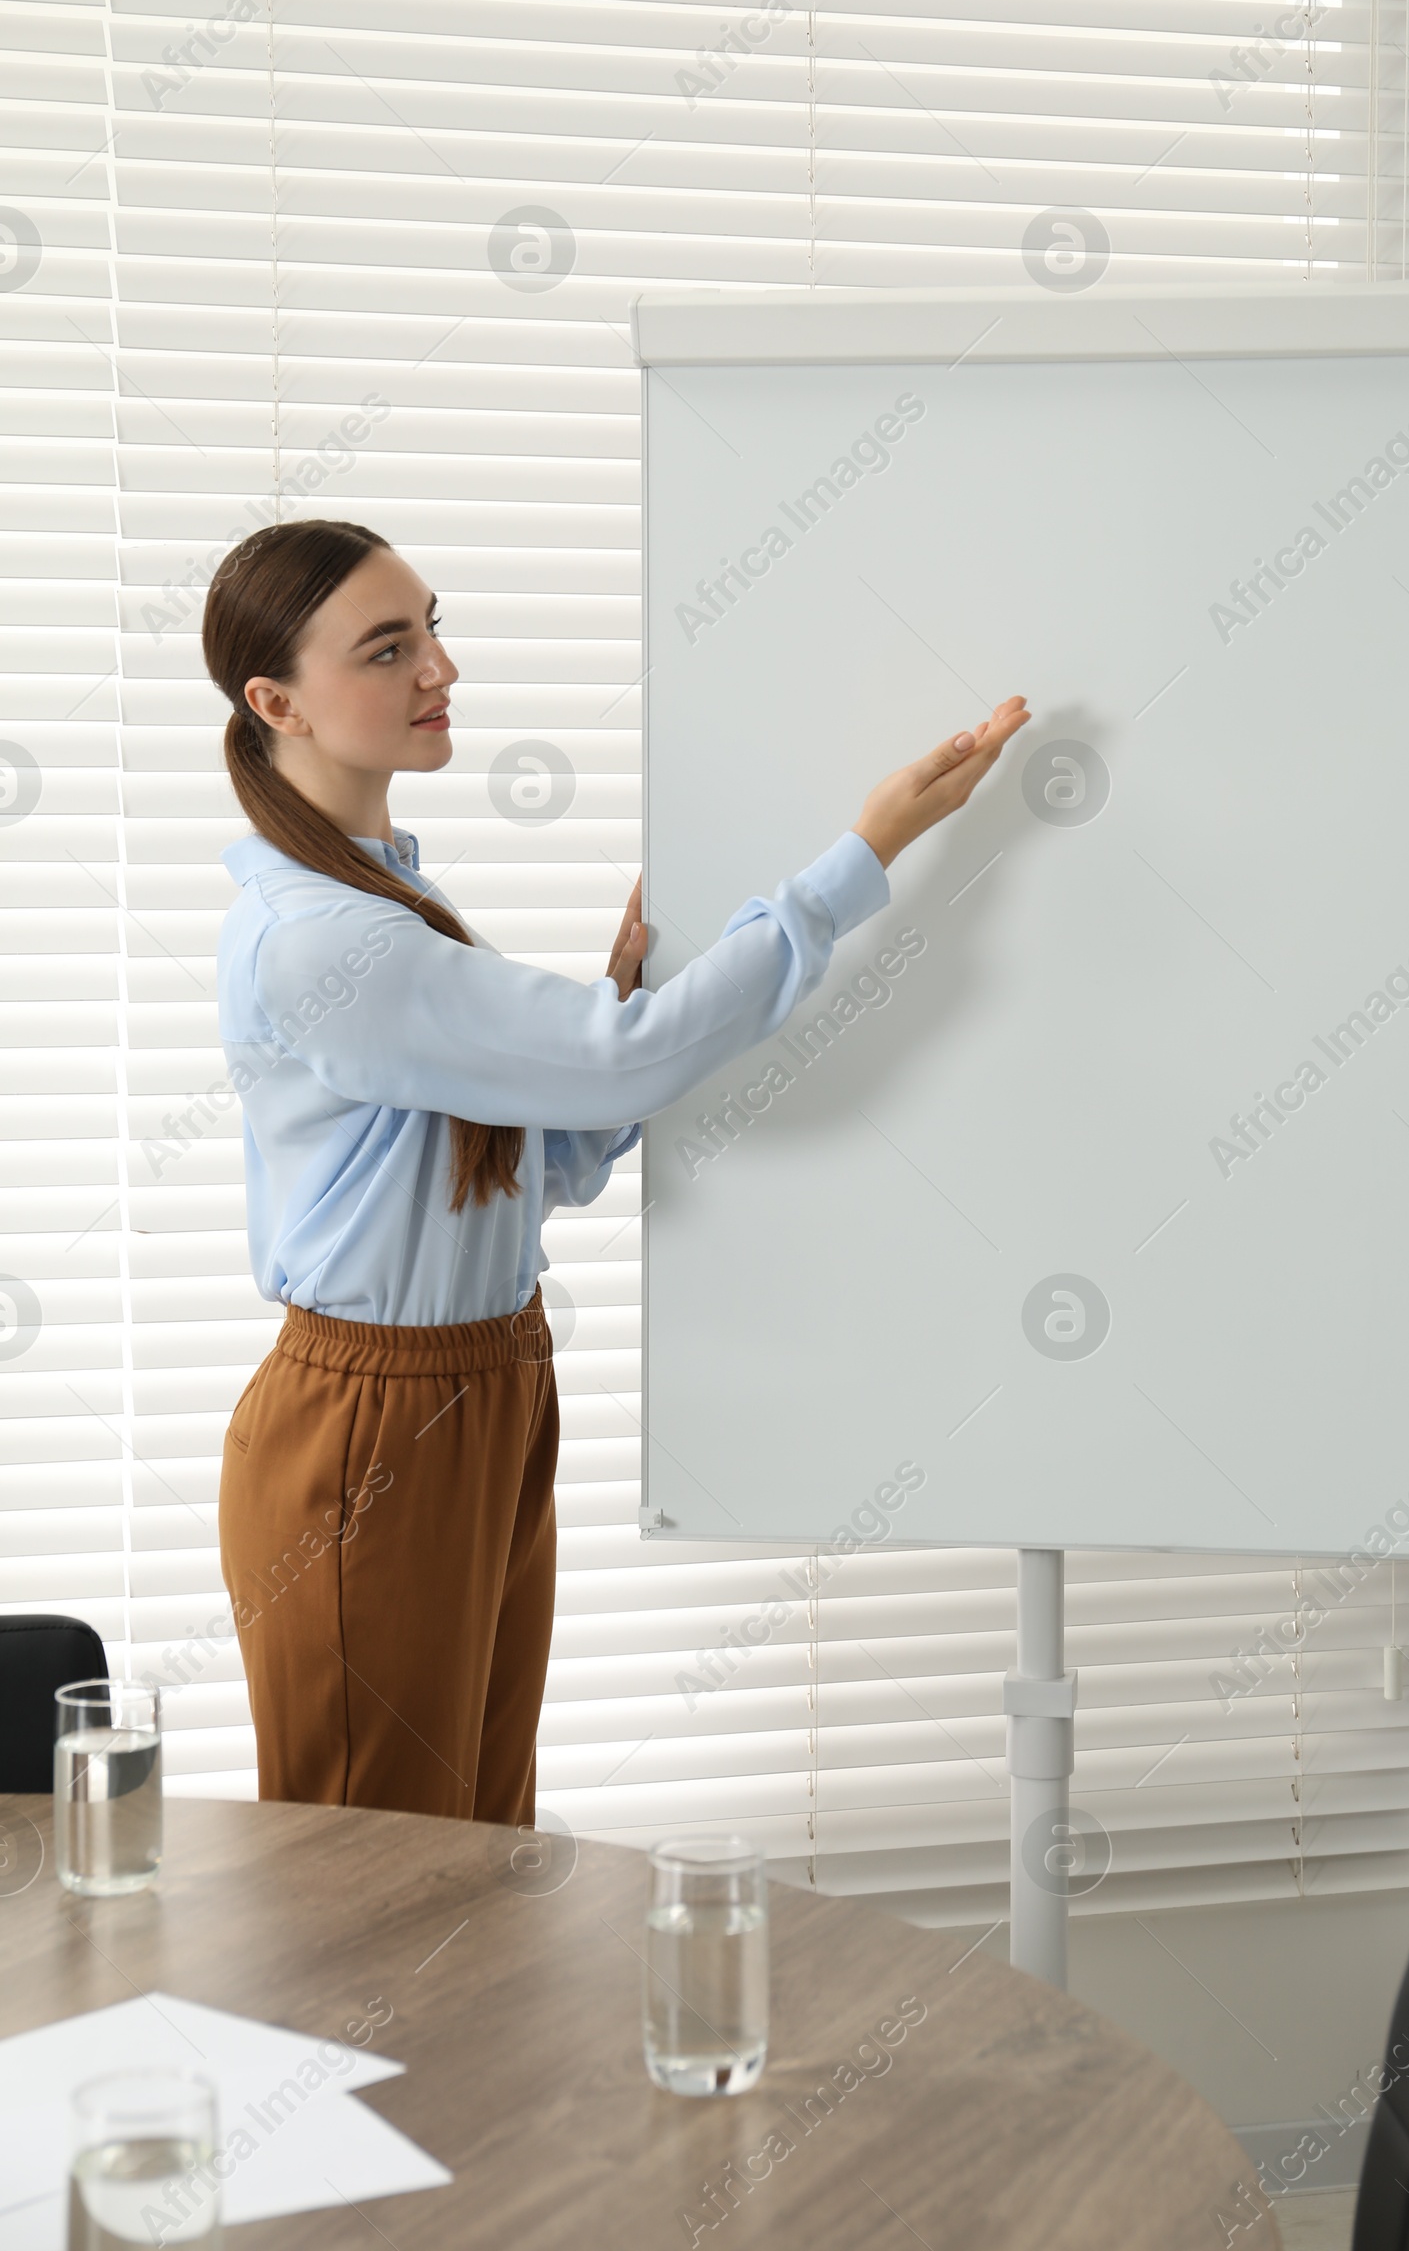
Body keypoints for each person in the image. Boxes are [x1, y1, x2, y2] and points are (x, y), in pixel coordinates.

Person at [203, 516, 1031, 1822]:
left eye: (433, 628)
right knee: (376, 1896)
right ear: (277, 703)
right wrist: (856, 858)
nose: (440, 670)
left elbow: (543, 1161)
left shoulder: (383, 906)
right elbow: (623, 1064)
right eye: (388, 646)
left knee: (475, 1853)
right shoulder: (321, 942)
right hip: (368, 1428)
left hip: (487, 1384)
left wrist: (613, 1017)